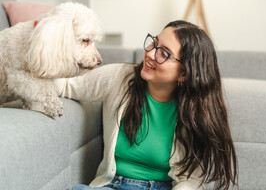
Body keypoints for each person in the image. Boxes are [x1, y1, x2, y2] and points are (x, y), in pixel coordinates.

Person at [57, 20, 238, 190]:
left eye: (164, 53)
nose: (150, 53)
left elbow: (191, 181)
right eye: (154, 43)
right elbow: (65, 85)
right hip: (112, 185)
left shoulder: (196, 113)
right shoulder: (119, 77)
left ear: (184, 73)